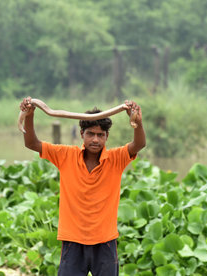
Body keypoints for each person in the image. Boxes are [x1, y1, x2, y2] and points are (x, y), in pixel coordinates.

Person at [19, 96, 146, 276]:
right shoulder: (65, 155)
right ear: (81, 134)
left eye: (100, 135)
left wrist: (137, 122)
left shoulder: (116, 159)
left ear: (106, 136)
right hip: (72, 241)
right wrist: (30, 115)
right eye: (90, 134)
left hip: (105, 242)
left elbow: (139, 144)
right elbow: (31, 143)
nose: (95, 140)